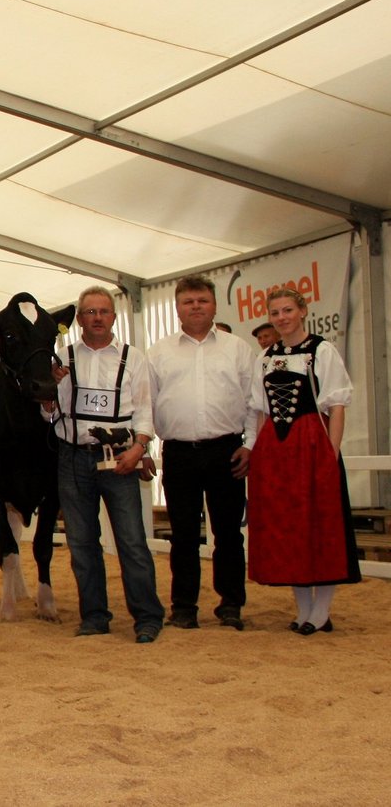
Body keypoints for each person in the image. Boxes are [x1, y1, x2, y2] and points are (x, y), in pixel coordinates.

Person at [46, 286, 165, 643]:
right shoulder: (62, 358)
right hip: (73, 457)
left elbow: (145, 409)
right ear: (79, 319)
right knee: (82, 543)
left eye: (104, 311)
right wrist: (48, 396)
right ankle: (95, 616)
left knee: (131, 541)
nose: (97, 318)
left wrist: (139, 447)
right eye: (90, 312)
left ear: (114, 317)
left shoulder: (134, 358)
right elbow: (50, 413)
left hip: (120, 458)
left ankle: (147, 617)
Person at [147, 276, 258, 630]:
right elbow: (146, 404)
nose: (195, 306)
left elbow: (254, 403)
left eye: (202, 300)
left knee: (228, 532)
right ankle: (183, 607)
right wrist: (144, 445)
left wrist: (250, 444)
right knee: (182, 533)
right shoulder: (159, 352)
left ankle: (230, 604)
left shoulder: (237, 348)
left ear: (214, 305)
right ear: (177, 307)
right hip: (178, 453)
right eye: (188, 301)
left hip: (227, 450)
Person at [246, 288, 359, 635]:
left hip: (312, 442)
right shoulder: (266, 355)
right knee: (288, 525)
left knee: (320, 523)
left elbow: (336, 406)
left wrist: (331, 452)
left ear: (303, 310)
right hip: (277, 448)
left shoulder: (321, 350)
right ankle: (304, 609)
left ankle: (320, 610)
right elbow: (261, 409)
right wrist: (259, 452)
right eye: (276, 312)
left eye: (288, 310)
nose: (282, 318)